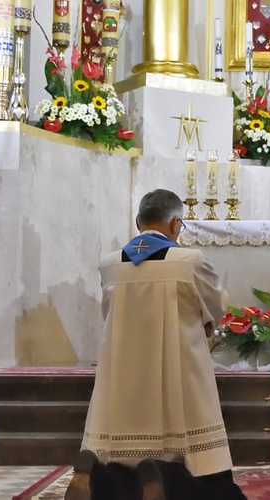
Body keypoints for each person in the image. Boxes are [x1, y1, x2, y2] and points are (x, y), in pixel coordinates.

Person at [67, 189, 244, 499]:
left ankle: (98, 478)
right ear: (175, 224)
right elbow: (215, 307)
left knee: (117, 442)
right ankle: (164, 476)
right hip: (178, 370)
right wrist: (206, 322)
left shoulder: (110, 264)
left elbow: (108, 313)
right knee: (192, 451)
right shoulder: (189, 261)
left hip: (122, 370)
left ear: (138, 223)